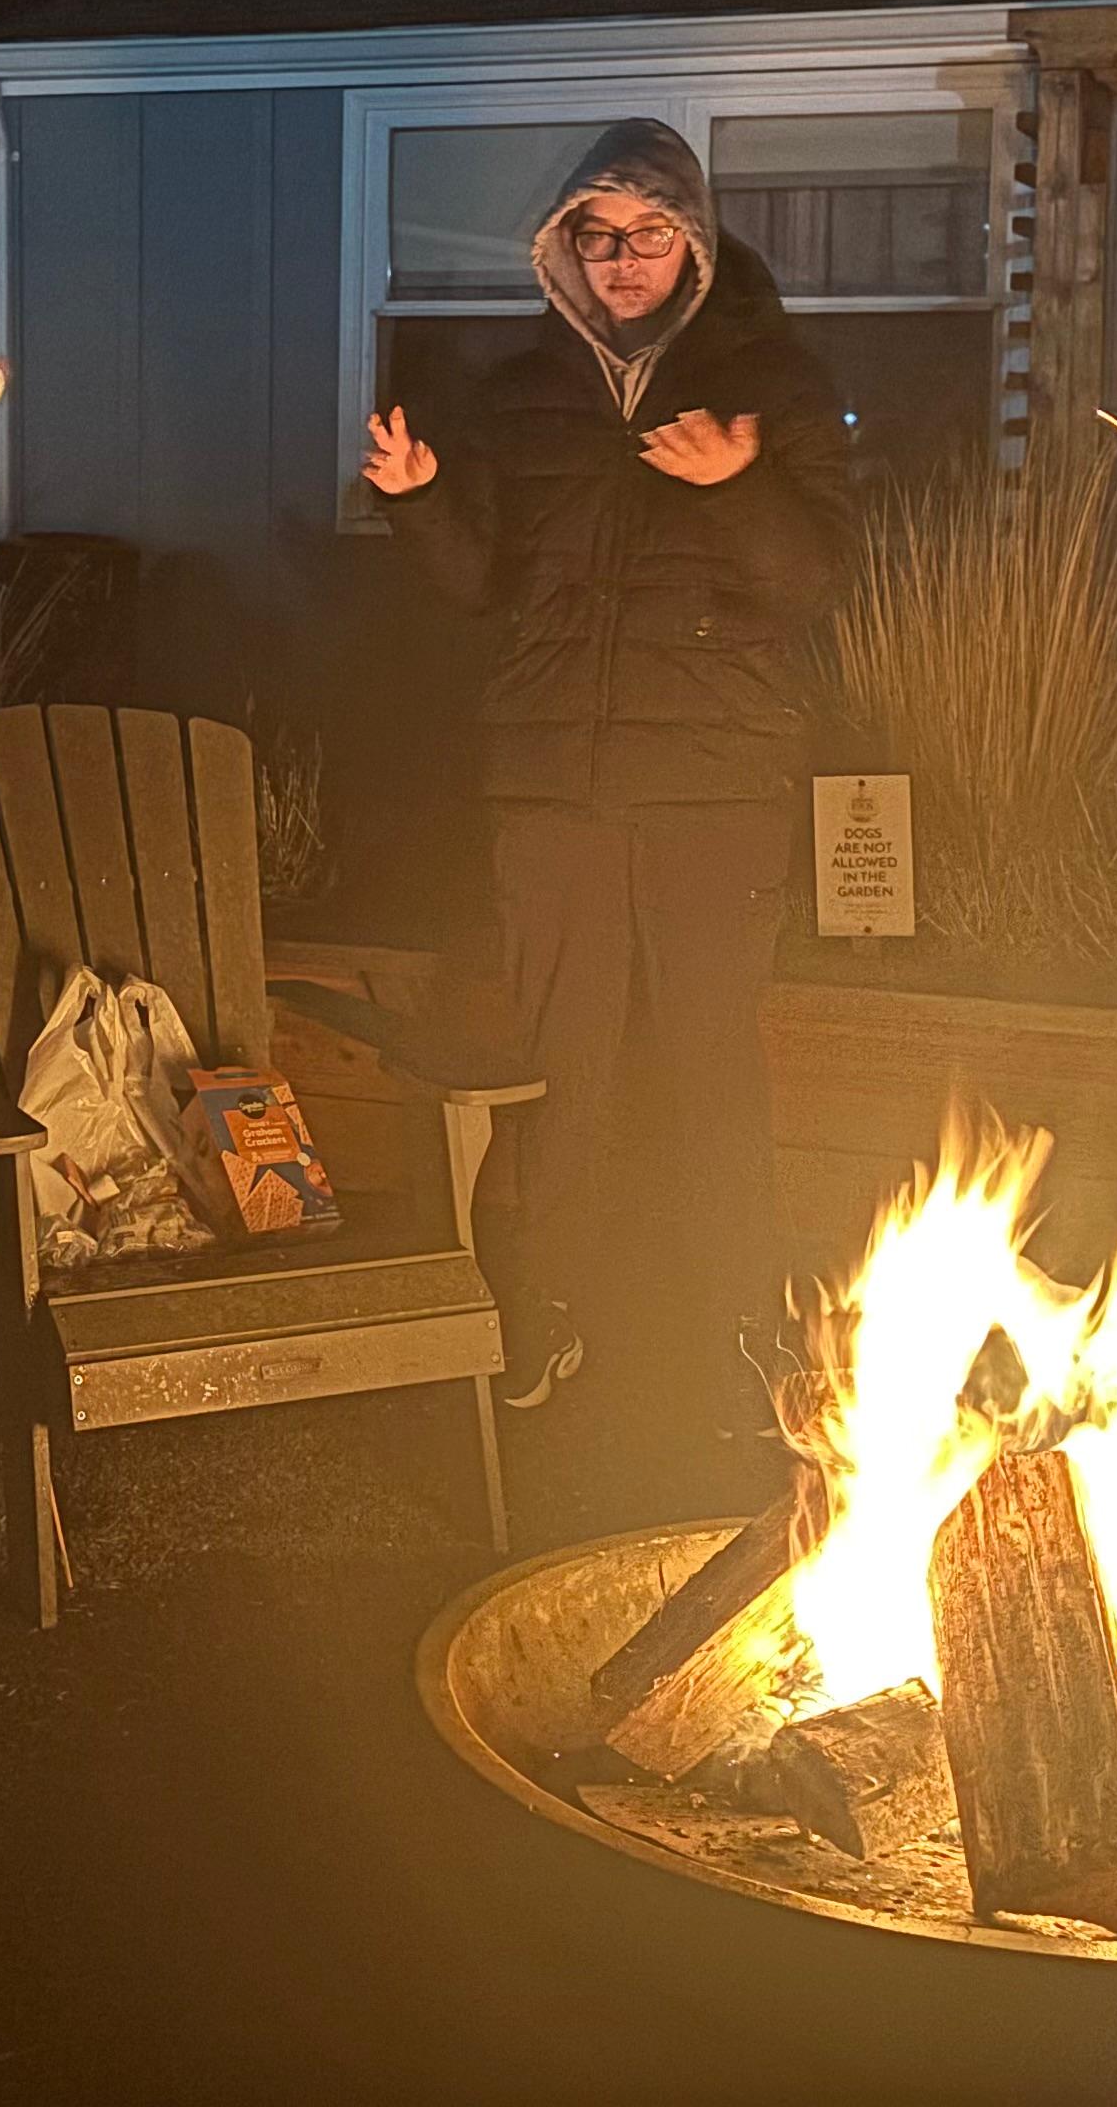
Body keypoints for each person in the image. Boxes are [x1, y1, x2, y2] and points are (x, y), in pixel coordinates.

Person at [361, 120, 860, 1423]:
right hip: (554, 784)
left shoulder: (768, 383)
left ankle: (746, 1334)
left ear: (690, 244)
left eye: (649, 235)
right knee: (554, 1072)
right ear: (565, 250)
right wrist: (418, 498)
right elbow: (482, 589)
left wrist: (740, 481)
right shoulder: (522, 394)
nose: (624, 259)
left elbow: (810, 583)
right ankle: (543, 1314)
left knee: (708, 1069)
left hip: (713, 784)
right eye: (600, 235)